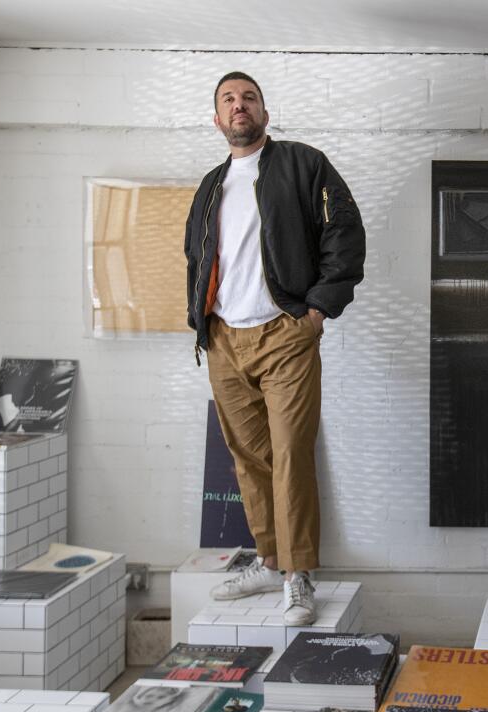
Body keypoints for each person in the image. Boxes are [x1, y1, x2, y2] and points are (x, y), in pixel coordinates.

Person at [184, 71, 365, 625]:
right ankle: (268, 560)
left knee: (290, 455)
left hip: (284, 333)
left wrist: (316, 311)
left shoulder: (302, 164)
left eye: (249, 98)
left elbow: (345, 233)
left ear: (264, 111)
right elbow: (197, 260)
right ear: (217, 119)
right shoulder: (212, 184)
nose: (239, 107)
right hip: (222, 339)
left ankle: (298, 576)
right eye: (228, 100)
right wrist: (201, 321)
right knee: (249, 459)